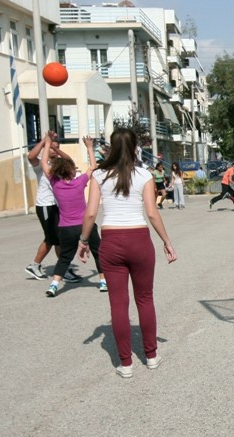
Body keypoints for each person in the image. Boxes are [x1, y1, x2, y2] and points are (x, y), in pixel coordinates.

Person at [79, 128, 177, 379]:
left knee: (118, 304)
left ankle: (125, 363)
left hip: (111, 242)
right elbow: (152, 212)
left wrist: (83, 240)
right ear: (135, 148)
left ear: (111, 148)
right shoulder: (144, 174)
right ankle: (151, 356)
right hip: (139, 240)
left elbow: (90, 213)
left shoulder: (99, 175)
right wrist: (167, 241)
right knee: (145, 299)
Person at [43, 136, 106, 297]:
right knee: (97, 252)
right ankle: (103, 281)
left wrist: (47, 143)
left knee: (64, 257)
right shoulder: (79, 182)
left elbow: (44, 162)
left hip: (65, 227)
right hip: (85, 225)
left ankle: (54, 284)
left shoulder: (55, 183)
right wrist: (89, 147)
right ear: (71, 171)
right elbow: (93, 166)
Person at [24, 131, 80, 283]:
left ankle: (56, 267)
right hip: (45, 205)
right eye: (52, 147)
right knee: (54, 239)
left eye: (57, 147)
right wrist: (45, 141)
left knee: (55, 238)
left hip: (55, 205)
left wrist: (55, 148)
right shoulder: (41, 165)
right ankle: (49, 267)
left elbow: (70, 161)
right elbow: (30, 156)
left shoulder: (57, 165)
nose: (55, 149)